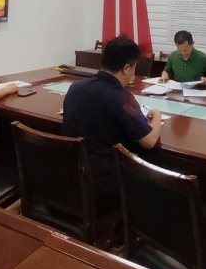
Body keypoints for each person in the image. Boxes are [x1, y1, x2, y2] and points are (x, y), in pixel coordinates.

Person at [63, 35, 162, 196]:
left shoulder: (76, 87)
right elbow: (149, 141)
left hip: (70, 174)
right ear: (126, 68)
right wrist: (157, 115)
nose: (134, 73)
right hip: (103, 183)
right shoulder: (120, 97)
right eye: (134, 68)